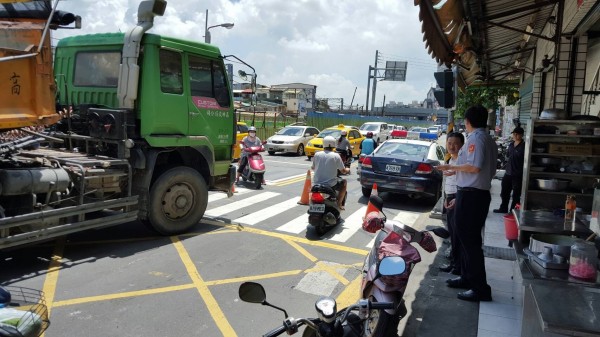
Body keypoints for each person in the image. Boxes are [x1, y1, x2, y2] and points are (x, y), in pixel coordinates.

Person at [436, 105, 497, 302]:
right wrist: (456, 172)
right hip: (470, 194)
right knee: (465, 239)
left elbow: (475, 166)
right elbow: (489, 170)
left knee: (470, 242)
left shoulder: (476, 139)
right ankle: (466, 276)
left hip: (472, 195)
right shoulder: (487, 138)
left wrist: (450, 166)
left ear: (468, 121)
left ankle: (480, 288)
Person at [438, 132, 465, 276]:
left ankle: (457, 266)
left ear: (462, 145)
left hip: (457, 197)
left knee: (456, 234)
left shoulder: (462, 162)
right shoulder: (452, 161)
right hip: (450, 197)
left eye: (455, 144)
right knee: (453, 232)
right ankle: (454, 263)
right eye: (449, 143)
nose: (452, 146)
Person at [312, 136, 350, 210]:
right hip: (331, 185)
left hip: (316, 183)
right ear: (333, 145)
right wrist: (348, 169)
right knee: (344, 182)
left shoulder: (317, 154)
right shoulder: (336, 156)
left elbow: (313, 167)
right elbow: (343, 171)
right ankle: (339, 204)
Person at [493, 126, 525, 213]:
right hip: (508, 172)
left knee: (516, 195)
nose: (514, 135)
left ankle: (513, 211)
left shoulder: (524, 146)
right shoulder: (511, 145)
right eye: (514, 134)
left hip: (518, 174)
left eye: (516, 134)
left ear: (521, 135)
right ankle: (503, 208)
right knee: (504, 192)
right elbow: (507, 156)